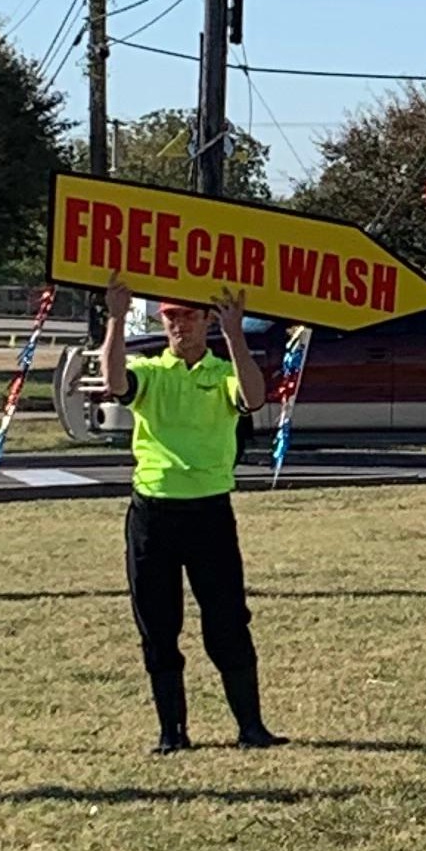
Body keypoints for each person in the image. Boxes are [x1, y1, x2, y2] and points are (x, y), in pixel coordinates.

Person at [97, 274, 280, 753]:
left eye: (189, 317)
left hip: (209, 514)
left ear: (205, 322)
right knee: (158, 625)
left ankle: (251, 727)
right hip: (152, 514)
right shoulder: (152, 372)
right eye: (172, 317)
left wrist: (236, 334)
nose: (180, 326)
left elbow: (254, 398)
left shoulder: (221, 373)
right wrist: (116, 318)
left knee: (227, 622)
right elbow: (115, 382)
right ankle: (172, 733)